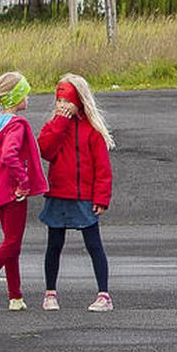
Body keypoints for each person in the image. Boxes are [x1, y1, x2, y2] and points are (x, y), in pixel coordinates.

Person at [37, 73, 115, 312]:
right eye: (59, 100)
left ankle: (104, 295)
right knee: (54, 245)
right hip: (58, 195)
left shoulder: (92, 131)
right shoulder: (53, 126)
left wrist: (101, 198)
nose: (62, 105)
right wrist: (59, 124)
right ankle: (50, 293)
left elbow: (103, 168)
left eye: (67, 100)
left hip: (84, 198)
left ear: (79, 101)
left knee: (94, 245)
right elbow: (46, 151)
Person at [0, 71, 49, 311]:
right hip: (13, 192)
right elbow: (10, 155)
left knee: (12, 244)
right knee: (11, 244)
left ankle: (15, 296)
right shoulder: (17, 125)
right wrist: (23, 183)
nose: (28, 97)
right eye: (25, 93)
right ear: (15, 97)